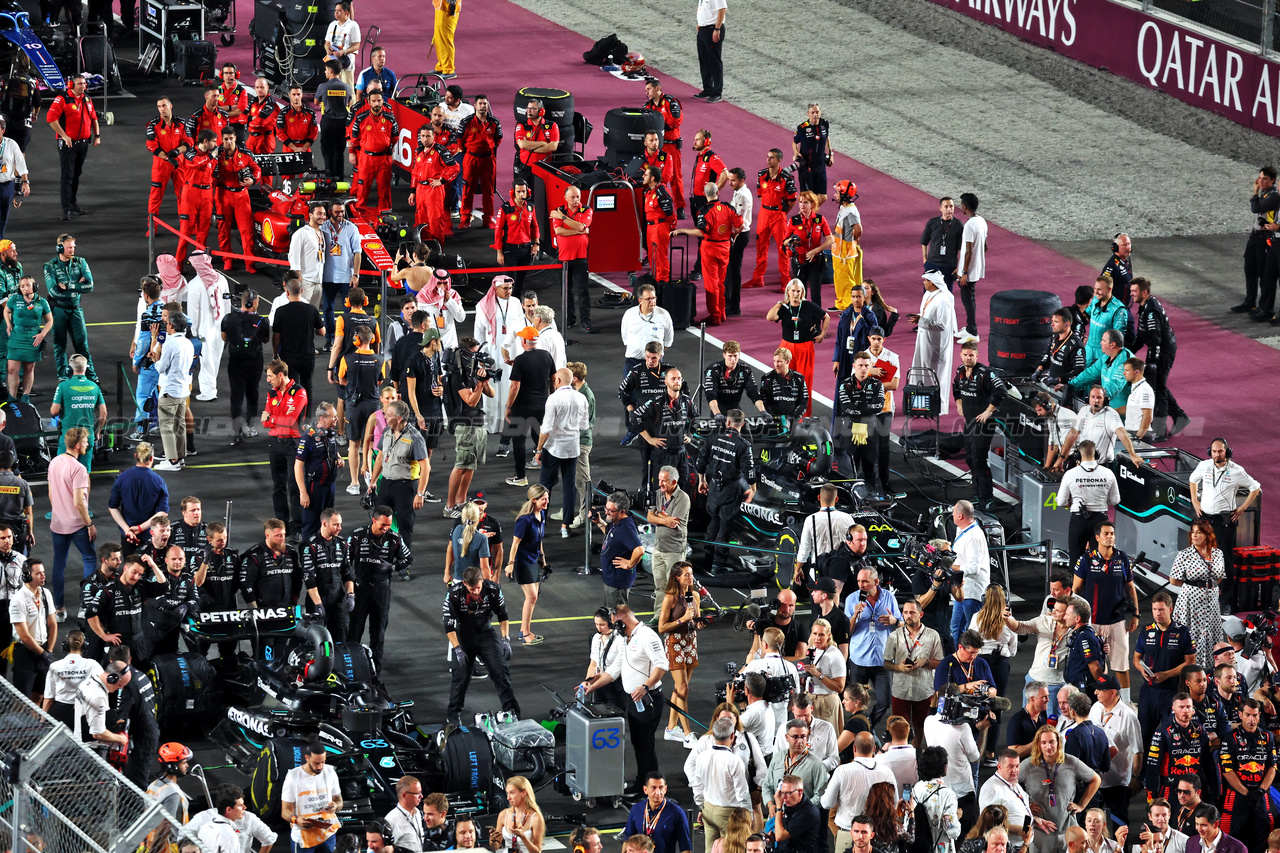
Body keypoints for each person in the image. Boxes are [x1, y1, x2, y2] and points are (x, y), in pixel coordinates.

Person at [583, 603, 667, 792]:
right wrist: (593, 684)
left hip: (648, 699)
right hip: (635, 700)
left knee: (645, 744)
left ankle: (651, 788)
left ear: (621, 622)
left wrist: (645, 686)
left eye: (614, 624)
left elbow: (662, 665)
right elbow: (615, 669)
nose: (613, 628)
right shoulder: (628, 638)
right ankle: (642, 783)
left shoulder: (647, 636)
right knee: (639, 743)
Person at [1189, 439, 1260, 614]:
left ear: (1227, 451)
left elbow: (1255, 487)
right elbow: (1192, 480)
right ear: (1209, 452)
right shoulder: (1204, 466)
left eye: (1220, 451)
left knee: (1224, 561)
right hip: (1204, 518)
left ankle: (1226, 601)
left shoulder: (1236, 471)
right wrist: (1194, 501)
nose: (1217, 454)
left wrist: (1242, 508)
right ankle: (1201, 597)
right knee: (1200, 558)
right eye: (1214, 451)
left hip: (1224, 521)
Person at [1071, 520, 1138, 699]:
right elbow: (1075, 590)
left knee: (1122, 666)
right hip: (1092, 623)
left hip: (1117, 621)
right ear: (1097, 537)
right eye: (1106, 534)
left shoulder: (1122, 558)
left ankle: (1125, 702)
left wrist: (1136, 614)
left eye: (1112, 534)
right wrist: (1075, 617)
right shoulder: (1086, 559)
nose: (1110, 537)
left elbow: (1130, 587)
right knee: (1094, 665)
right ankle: (1099, 701)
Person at [444, 565, 517, 726]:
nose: (475, 592)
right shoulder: (453, 593)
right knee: (461, 675)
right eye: (471, 589)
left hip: (486, 633)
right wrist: (457, 649)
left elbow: (503, 615)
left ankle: (512, 711)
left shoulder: (493, 589)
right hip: (463, 635)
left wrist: (506, 639)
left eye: (477, 588)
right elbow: (448, 626)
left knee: (500, 669)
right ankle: (453, 714)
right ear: (464, 584)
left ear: (482, 581)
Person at [347, 507, 411, 669]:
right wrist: (349, 585)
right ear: (373, 520)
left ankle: (375, 671)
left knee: (378, 633)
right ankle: (350, 667)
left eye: (388, 525)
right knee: (354, 631)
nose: (386, 529)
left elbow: (408, 558)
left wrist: (392, 567)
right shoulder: (357, 535)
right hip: (360, 590)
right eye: (383, 525)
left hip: (381, 591)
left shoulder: (394, 538)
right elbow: (345, 561)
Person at [1019, 727, 1099, 853]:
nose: (1048, 746)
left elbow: (1096, 780)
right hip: (1041, 832)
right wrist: (1025, 806)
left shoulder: (1071, 762)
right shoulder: (1028, 765)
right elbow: (1009, 786)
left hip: (1068, 828)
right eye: (1043, 743)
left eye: (1051, 742)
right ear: (1038, 745)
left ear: (1058, 742)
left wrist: (1082, 805)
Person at [695, 409, 756, 575]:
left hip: (714, 487)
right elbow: (749, 471)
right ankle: (718, 564)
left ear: (727, 422)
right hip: (730, 489)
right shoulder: (744, 445)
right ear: (742, 424)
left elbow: (700, 462)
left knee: (713, 520)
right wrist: (753, 490)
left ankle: (708, 558)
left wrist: (702, 480)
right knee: (725, 526)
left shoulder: (712, 438)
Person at [367, 400, 429, 555]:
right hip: (386, 484)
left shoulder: (415, 438)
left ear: (399, 418)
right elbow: (380, 457)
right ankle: (379, 555)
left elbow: (426, 467)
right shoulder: (387, 431)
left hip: (406, 487)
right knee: (379, 520)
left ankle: (403, 562)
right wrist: (373, 481)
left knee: (404, 525)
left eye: (388, 415)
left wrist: (420, 494)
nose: (385, 418)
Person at [1129, 278, 1188, 440]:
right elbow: (1142, 336)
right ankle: (1179, 417)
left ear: (1144, 292)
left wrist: (1153, 363)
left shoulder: (1150, 311)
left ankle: (1160, 431)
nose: (1131, 293)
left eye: (1134, 291)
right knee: (1158, 384)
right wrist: (1127, 352)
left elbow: (1156, 340)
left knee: (1157, 388)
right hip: (1160, 349)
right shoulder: (1145, 306)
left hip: (1163, 350)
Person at [953, 340, 1007, 510]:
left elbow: (1001, 391)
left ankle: (988, 498)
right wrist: (959, 403)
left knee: (978, 459)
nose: (968, 358)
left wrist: (988, 412)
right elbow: (956, 388)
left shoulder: (986, 373)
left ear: (977, 355)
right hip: (969, 421)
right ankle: (976, 495)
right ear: (961, 355)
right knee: (970, 458)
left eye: (971, 355)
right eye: (965, 355)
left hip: (984, 423)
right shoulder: (960, 371)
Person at [443, 337, 494, 515]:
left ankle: (461, 501)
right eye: (475, 353)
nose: (478, 357)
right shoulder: (458, 376)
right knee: (461, 465)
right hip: (465, 424)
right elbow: (471, 401)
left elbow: (492, 394)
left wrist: (485, 380)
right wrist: (479, 384)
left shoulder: (472, 373)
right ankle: (449, 506)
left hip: (477, 423)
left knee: (470, 466)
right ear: (466, 355)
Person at [535, 367, 588, 535]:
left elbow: (546, 428)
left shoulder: (553, 398)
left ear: (558, 381)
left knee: (545, 486)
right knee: (569, 486)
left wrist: (538, 449)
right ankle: (565, 527)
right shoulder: (582, 398)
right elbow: (584, 426)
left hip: (554, 448)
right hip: (572, 448)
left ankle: (540, 525)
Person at [1167, 521, 1226, 668]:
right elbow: (1174, 580)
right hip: (1190, 602)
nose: (1194, 535)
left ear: (1207, 535)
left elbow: (1219, 577)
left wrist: (1207, 587)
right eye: (1193, 532)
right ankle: (1189, 668)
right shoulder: (1184, 554)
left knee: (1211, 634)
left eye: (1198, 532)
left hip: (1211, 601)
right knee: (1191, 635)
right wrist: (1194, 587)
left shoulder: (1218, 553)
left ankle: (1210, 668)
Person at [1055, 440, 1119, 567]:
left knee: (1075, 560)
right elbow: (1115, 500)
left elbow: (1061, 501)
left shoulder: (1070, 474)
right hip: (1101, 520)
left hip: (1078, 520)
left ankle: (1075, 586)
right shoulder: (1108, 473)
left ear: (1078, 455)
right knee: (1101, 560)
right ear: (1096, 454)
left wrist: (1070, 504)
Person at [43, 234, 96, 383]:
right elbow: (53, 291)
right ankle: (63, 377)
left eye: (73, 247)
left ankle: (90, 376)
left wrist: (68, 286)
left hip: (75, 309)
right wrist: (78, 286)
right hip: (58, 310)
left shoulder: (81, 262)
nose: (72, 250)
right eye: (69, 247)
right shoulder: (50, 265)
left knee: (82, 344)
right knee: (60, 344)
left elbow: (90, 285)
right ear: (60, 248)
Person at [767, 280, 827, 411]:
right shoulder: (784, 308)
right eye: (792, 290)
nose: (795, 294)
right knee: (784, 381)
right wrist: (779, 304)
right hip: (786, 348)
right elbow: (769, 317)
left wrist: (822, 334)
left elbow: (826, 317)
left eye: (798, 291)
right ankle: (786, 413)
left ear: (802, 293)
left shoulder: (809, 306)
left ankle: (804, 417)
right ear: (788, 291)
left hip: (805, 347)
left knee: (805, 383)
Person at [46, 76, 98, 221]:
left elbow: (93, 118)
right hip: (68, 144)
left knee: (76, 174)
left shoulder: (87, 99)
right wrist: (64, 136)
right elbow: (51, 118)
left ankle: (72, 202)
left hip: (83, 144)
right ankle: (65, 208)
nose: (83, 86)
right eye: (80, 84)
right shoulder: (62, 99)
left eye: (84, 83)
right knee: (67, 175)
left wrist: (97, 135)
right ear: (71, 85)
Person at [1145, 694, 1212, 804]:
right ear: (1173, 709)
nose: (1185, 711)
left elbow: (1208, 765)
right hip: (1171, 790)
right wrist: (1151, 798)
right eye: (1181, 707)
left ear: (1193, 709)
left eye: (1188, 707)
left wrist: (1212, 793)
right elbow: (1152, 768)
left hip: (1195, 790)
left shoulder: (1201, 731)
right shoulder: (1162, 733)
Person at [299, 508, 353, 641]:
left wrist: (350, 594)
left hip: (338, 599)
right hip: (318, 599)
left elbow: (347, 572)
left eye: (340, 524)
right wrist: (318, 604)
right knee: (318, 640)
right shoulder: (309, 546)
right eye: (335, 525)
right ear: (324, 524)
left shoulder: (342, 543)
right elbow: (309, 578)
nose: (339, 528)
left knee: (341, 636)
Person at [1057, 385, 1141, 469]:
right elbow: (1072, 434)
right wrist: (1062, 457)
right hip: (1083, 464)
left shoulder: (1111, 414)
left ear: (1105, 400)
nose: (1096, 401)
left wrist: (1133, 455)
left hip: (1102, 466)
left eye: (1099, 397)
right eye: (1093, 397)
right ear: (1088, 399)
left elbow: (1123, 434)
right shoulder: (1084, 411)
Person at [294, 403, 344, 543]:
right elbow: (298, 466)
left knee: (328, 520)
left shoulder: (330, 433)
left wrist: (339, 459)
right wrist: (303, 493)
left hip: (330, 485)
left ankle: (327, 550)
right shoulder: (308, 438)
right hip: (315, 486)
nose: (337, 419)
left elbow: (333, 450)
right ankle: (307, 554)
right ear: (322, 418)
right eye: (333, 417)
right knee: (312, 523)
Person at [793, 485, 857, 593]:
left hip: (818, 573)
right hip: (842, 573)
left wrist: (798, 569)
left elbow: (804, 549)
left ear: (819, 498)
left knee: (818, 608)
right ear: (836, 499)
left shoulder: (810, 520)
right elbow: (854, 544)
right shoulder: (848, 518)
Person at [506, 484, 548, 644]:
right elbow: (515, 543)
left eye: (547, 498)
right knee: (531, 597)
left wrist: (543, 557)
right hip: (523, 562)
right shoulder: (524, 520)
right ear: (534, 500)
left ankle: (524, 630)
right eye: (543, 499)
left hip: (534, 560)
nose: (546, 502)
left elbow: (539, 539)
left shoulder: (541, 515)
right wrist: (510, 563)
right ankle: (525, 633)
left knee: (533, 598)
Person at [273, 276, 326, 406]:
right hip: (307, 355)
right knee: (307, 385)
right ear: (301, 291)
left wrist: (275, 354)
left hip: (288, 356)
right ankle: (307, 416)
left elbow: (276, 336)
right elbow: (322, 332)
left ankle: (293, 415)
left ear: (287, 292)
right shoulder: (311, 310)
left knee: (291, 386)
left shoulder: (281, 312)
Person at [281, 741, 342, 853]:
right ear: (306, 758)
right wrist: (296, 819)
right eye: (316, 763)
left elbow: (338, 800)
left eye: (323, 762)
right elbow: (285, 811)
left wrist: (335, 806)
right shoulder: (293, 777)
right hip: (303, 837)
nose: (320, 767)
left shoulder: (330, 772)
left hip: (327, 834)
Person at [910, 271, 956, 414]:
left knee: (935, 373)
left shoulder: (943, 300)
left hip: (936, 344)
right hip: (924, 340)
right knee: (922, 370)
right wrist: (919, 318)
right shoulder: (928, 295)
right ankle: (922, 403)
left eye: (925, 280)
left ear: (932, 282)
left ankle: (937, 406)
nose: (923, 283)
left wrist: (921, 321)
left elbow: (942, 325)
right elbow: (926, 314)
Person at [319, 202, 361, 352]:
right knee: (327, 309)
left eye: (342, 211)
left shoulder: (351, 228)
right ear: (330, 211)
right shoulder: (322, 228)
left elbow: (357, 252)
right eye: (337, 212)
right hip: (327, 276)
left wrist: (356, 274)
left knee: (348, 310)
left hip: (346, 277)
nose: (340, 214)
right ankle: (330, 339)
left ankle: (348, 340)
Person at [550, 187, 593, 331]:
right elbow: (558, 231)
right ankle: (569, 319)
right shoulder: (558, 209)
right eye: (573, 197)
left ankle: (585, 321)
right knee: (566, 291)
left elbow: (581, 225)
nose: (576, 200)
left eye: (578, 197)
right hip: (564, 258)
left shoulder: (586, 210)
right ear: (565, 198)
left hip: (581, 257)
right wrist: (579, 231)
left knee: (583, 291)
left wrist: (563, 218)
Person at [949, 500, 990, 646]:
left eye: (954, 513)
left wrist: (952, 567)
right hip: (962, 591)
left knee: (973, 632)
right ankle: (957, 661)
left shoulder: (974, 537)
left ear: (960, 516)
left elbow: (973, 568)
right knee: (956, 629)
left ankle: (972, 662)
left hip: (972, 593)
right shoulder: (962, 530)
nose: (952, 515)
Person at [622, 773, 694, 853]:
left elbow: (685, 847)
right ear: (645, 790)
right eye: (653, 788)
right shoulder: (636, 809)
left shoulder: (677, 813)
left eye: (661, 788)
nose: (658, 792)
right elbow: (627, 841)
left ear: (665, 789)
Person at [978, 750, 1032, 852]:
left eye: (1017, 766)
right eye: (1010, 766)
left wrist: (1036, 819)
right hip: (1005, 847)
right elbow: (986, 823)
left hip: (1022, 844)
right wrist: (1016, 829)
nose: (1015, 770)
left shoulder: (1014, 783)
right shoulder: (991, 788)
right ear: (999, 767)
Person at [912, 746, 961, 853]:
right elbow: (953, 831)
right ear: (944, 767)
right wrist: (957, 816)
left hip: (919, 847)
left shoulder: (916, 789)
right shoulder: (948, 794)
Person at [952, 193, 988, 340]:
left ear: (965, 207)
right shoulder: (982, 221)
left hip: (969, 270)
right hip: (976, 267)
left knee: (968, 300)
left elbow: (968, 251)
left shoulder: (968, 226)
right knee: (969, 298)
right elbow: (984, 246)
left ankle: (973, 332)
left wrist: (964, 271)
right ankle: (969, 327)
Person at [145, 98, 188, 220]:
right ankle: (152, 227)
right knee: (156, 195)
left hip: (179, 162)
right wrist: (169, 158)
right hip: (161, 164)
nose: (162, 109)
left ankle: (186, 227)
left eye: (164, 105)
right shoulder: (153, 124)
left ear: (170, 106)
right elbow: (151, 146)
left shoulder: (181, 123)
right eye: (159, 106)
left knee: (183, 194)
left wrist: (177, 151)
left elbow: (189, 141)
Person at [1069, 329, 1134, 409]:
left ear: (1112, 344)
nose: (1101, 343)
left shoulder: (1125, 361)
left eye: (1103, 340)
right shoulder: (1107, 356)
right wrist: (1070, 385)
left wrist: (1098, 400)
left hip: (1122, 413)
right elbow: (1089, 374)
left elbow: (1114, 385)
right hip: (1106, 407)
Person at [75, 661, 131, 753]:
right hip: (88, 749)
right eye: (120, 685)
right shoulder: (98, 697)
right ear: (112, 679)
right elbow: (98, 733)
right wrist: (120, 739)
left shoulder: (89, 681)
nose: (120, 688)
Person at [493, 182, 540, 291]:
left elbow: (535, 226)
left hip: (526, 249)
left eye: (523, 191)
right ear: (513, 192)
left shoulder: (530, 207)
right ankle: (507, 306)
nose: (521, 194)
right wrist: (499, 252)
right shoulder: (505, 208)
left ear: (527, 192)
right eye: (518, 191)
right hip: (510, 250)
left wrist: (536, 243)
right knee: (509, 283)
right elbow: (498, 231)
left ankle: (518, 305)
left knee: (520, 283)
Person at [512, 98, 558, 188]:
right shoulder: (521, 125)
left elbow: (553, 146)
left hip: (544, 168)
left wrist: (530, 147)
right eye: (528, 108)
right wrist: (543, 143)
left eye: (533, 109)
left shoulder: (552, 125)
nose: (529, 111)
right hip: (526, 167)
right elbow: (522, 144)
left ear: (541, 111)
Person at [1083, 275, 1130, 363]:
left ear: (1109, 289)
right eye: (1095, 288)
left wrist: (1111, 359)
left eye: (1099, 289)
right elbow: (1085, 315)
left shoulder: (1119, 310)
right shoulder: (1095, 300)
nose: (1096, 292)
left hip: (1104, 354)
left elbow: (1119, 338)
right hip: (1088, 350)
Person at [920, 196, 962, 289]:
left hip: (949, 266)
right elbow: (924, 242)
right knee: (929, 292)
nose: (949, 209)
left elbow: (962, 249)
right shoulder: (932, 223)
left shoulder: (958, 225)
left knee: (946, 293)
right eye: (946, 207)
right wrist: (925, 259)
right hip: (932, 264)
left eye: (951, 206)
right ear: (940, 208)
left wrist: (960, 267)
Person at [760, 347, 808, 423]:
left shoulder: (799, 378)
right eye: (774, 361)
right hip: (773, 422)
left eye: (779, 361)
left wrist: (792, 419)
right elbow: (765, 402)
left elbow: (803, 402)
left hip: (793, 422)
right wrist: (777, 419)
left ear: (787, 361)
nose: (776, 365)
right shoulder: (767, 379)